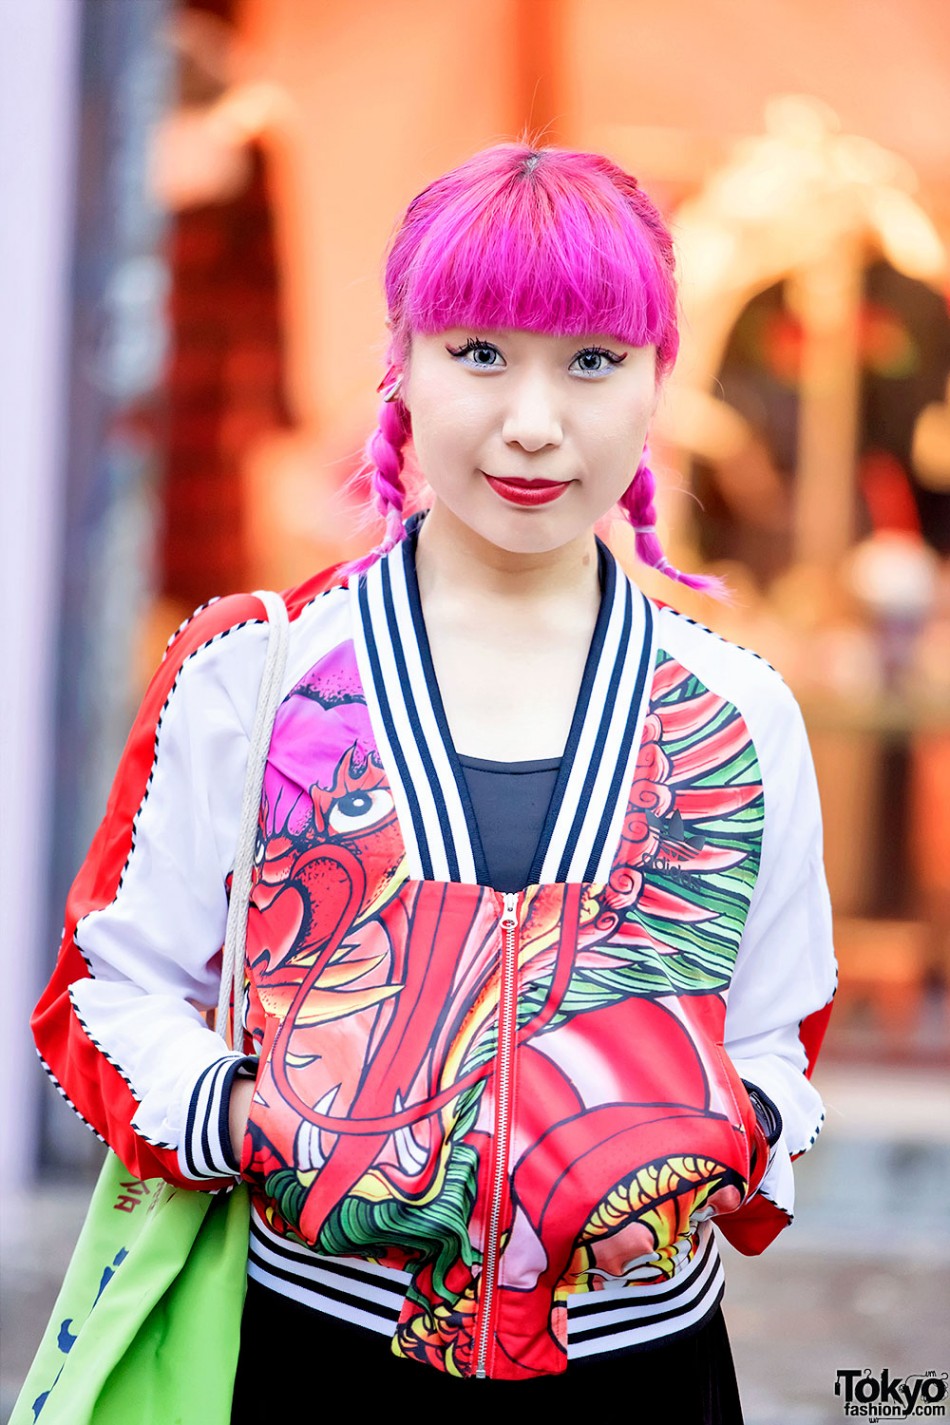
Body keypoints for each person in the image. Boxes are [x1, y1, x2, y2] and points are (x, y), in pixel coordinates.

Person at [33, 144, 837, 1422]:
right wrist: (257, 1115)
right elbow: (114, 987)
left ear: (655, 383)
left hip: (642, 1368)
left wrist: (703, 1149)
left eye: (590, 361)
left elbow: (774, 1036)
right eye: (477, 354)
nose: (532, 420)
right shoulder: (260, 672)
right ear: (399, 364)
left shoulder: (733, 713)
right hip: (314, 1352)